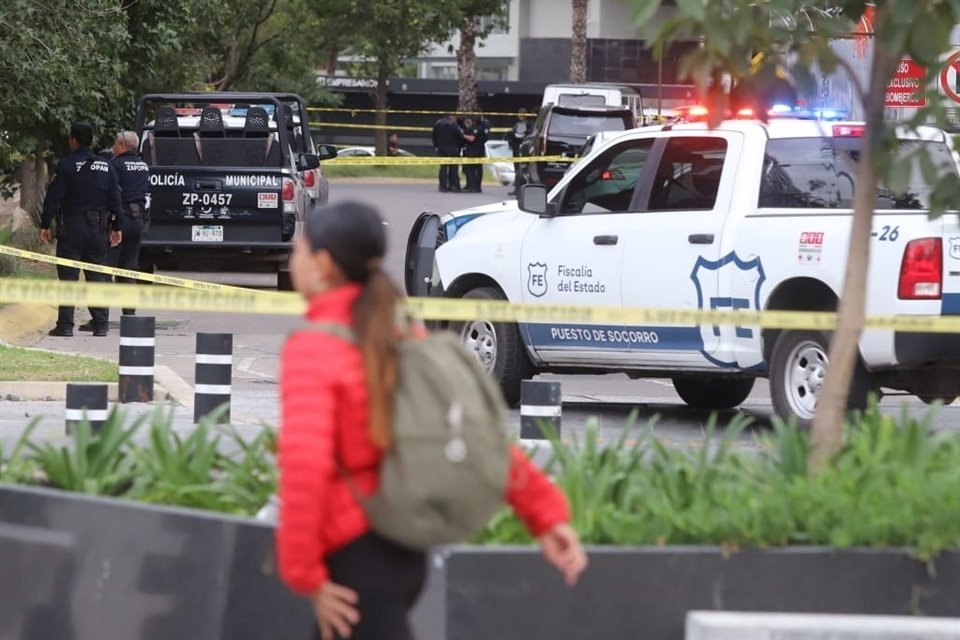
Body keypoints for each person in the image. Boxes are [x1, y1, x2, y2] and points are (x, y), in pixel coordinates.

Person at [276, 201, 587, 640]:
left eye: (299, 250)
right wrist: (546, 516)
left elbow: (305, 463)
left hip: (355, 560)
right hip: (403, 553)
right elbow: (477, 436)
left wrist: (302, 571)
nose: (293, 261)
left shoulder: (315, 347)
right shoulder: (400, 333)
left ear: (323, 264)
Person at [39, 121, 124, 337]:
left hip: (73, 230)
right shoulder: (106, 166)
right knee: (96, 276)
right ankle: (101, 324)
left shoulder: (66, 165)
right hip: (98, 230)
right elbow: (116, 199)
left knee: (68, 277)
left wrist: (45, 224)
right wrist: (117, 227)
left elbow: (53, 198)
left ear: (74, 140)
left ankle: (65, 326)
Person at [80, 130, 149, 329]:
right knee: (129, 267)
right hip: (138, 222)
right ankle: (130, 314)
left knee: (104, 270)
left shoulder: (115, 165)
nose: (112, 147)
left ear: (121, 146)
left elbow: (112, 195)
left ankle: (100, 319)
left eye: (114, 144)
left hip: (120, 221)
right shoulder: (143, 166)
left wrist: (113, 224)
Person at [431, 114, 462, 192]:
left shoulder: (438, 123)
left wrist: (437, 146)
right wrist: (460, 146)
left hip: (442, 148)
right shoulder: (454, 124)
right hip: (453, 148)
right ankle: (453, 186)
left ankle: (442, 187)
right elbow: (459, 136)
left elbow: (434, 136)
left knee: (443, 168)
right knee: (454, 168)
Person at [505, 107, 531, 196]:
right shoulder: (521, 124)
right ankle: (518, 188)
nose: (521, 115)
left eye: (522, 113)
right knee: (519, 170)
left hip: (519, 150)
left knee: (519, 170)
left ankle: (518, 189)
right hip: (520, 149)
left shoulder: (523, 124)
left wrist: (510, 135)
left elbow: (519, 136)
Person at [460, 113, 489, 193]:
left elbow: (471, 138)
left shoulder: (477, 128)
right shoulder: (481, 127)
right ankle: (470, 185)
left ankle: (473, 186)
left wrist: (462, 134)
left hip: (474, 152)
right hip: (476, 151)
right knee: (473, 169)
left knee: (471, 169)